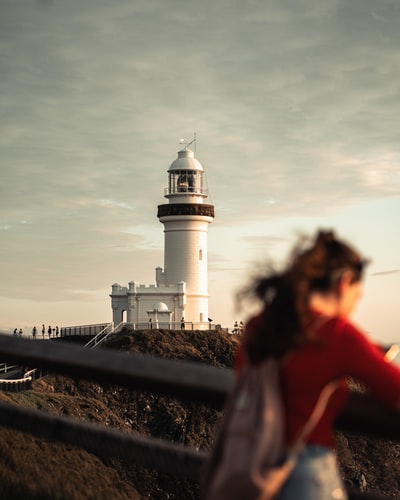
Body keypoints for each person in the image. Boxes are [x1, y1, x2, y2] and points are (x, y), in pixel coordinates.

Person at [235, 230, 400, 500]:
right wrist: (370, 357)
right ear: (345, 283)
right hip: (303, 473)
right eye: (357, 297)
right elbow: (395, 391)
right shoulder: (336, 333)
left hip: (251, 463)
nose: (354, 307)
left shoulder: (258, 325)